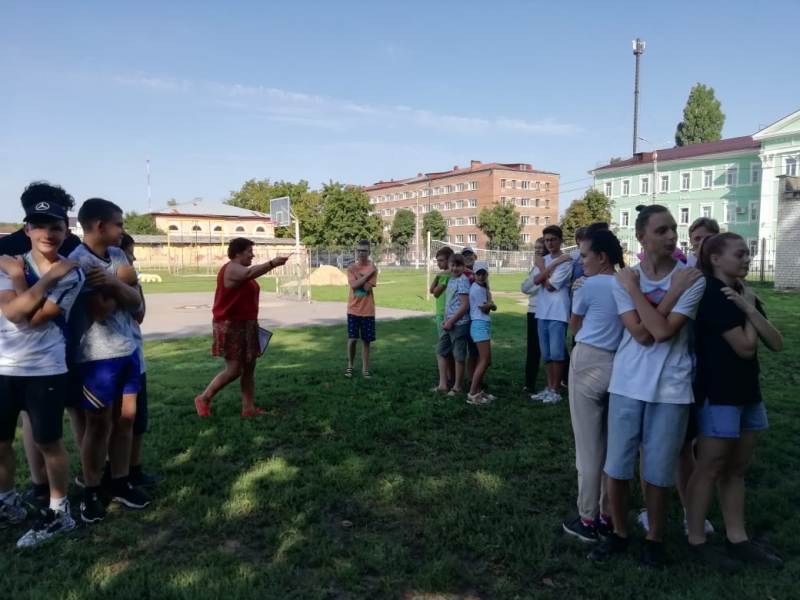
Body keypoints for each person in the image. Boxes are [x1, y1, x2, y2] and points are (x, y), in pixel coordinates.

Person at [590, 205, 705, 567]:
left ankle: (654, 538)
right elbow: (639, 334)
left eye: (673, 229)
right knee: (617, 466)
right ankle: (620, 533)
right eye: (661, 230)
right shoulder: (625, 279)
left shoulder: (691, 279)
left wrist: (639, 292)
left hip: (671, 388)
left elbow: (662, 331)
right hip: (626, 384)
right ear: (641, 237)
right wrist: (641, 290)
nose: (671, 236)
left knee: (657, 470)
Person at [686, 233, 783, 567]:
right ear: (716, 259)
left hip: (748, 394)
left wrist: (749, 306)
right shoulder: (712, 294)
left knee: (737, 469)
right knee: (710, 466)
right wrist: (747, 309)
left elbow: (776, 343)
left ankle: (737, 538)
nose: (747, 258)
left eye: (747, 253)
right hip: (719, 394)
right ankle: (696, 540)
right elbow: (745, 347)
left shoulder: (744, 293)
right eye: (740, 254)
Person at [0, 199, 84, 546]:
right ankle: (7, 503)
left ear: (66, 232)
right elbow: (12, 311)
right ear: (27, 229)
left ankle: (59, 512)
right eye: (39, 225)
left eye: (55, 227)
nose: (47, 233)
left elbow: (30, 319)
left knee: (48, 441)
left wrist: (28, 278)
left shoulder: (72, 273)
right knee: (1, 441)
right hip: (3, 366)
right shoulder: (8, 265)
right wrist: (37, 277)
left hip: (45, 368)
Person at [69, 198, 151, 523]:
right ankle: (91, 490)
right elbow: (99, 310)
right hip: (96, 357)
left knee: (126, 419)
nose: (122, 230)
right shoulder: (79, 261)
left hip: (128, 351)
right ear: (99, 225)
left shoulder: (116, 256)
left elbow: (136, 304)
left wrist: (115, 282)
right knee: (99, 424)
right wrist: (124, 284)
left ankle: (120, 482)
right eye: (119, 224)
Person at [561, 230, 625, 544]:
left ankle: (587, 518)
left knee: (588, 447)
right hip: (620, 365)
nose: (581, 261)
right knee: (612, 445)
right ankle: (607, 515)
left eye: (585, 255)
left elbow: (575, 324)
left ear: (602, 257)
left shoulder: (590, 284)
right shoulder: (628, 283)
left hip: (588, 360)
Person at [195, 238, 289, 416]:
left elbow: (249, 275)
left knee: (249, 368)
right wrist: (272, 263)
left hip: (247, 324)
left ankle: (248, 408)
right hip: (230, 325)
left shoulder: (242, 270)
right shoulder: (231, 268)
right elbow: (249, 273)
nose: (252, 255)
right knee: (234, 370)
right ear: (238, 253)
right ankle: (204, 398)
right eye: (249, 251)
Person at [119, 234, 158, 488]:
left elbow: (139, 313)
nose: (133, 258)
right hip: (110, 360)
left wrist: (135, 285)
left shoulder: (132, 282)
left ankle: (133, 470)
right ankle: (113, 474)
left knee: (137, 421)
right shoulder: (100, 277)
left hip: (134, 357)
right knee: (112, 424)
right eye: (129, 253)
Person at [531, 225, 572, 403]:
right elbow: (535, 281)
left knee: (557, 353)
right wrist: (548, 266)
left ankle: (555, 389)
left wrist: (545, 267)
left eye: (553, 239)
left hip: (557, 311)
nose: (550, 243)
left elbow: (550, 286)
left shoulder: (566, 261)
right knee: (546, 353)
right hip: (542, 311)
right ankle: (549, 387)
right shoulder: (545, 259)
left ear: (560, 240)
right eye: (547, 240)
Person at [345, 240, 378, 378]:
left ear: (369, 252)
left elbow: (366, 288)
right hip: (353, 309)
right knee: (352, 339)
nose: (360, 253)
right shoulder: (352, 268)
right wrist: (368, 274)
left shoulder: (372, 268)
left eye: (364, 250)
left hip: (367, 310)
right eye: (358, 250)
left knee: (366, 341)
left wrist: (360, 274)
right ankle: (350, 366)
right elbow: (354, 286)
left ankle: (365, 369)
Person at [440, 254, 470, 396]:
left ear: (463, 267)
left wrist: (451, 321)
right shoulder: (451, 279)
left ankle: (457, 387)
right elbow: (449, 302)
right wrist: (445, 319)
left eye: (458, 265)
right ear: (449, 265)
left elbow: (464, 305)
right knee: (441, 351)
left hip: (459, 324)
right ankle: (443, 385)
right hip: (448, 323)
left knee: (459, 356)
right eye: (453, 265)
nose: (455, 268)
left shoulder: (463, 281)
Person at [467, 261, 496, 405]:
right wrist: (492, 304)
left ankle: (478, 390)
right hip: (479, 325)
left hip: (482, 324)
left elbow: (488, 306)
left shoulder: (482, 288)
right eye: (478, 273)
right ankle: (473, 393)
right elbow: (485, 308)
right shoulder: (477, 289)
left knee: (485, 360)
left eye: (483, 273)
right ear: (474, 274)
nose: (481, 276)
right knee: (484, 360)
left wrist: (490, 303)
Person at [521, 238, 546, 392]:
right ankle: (529, 383)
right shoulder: (536, 266)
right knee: (534, 349)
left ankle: (562, 379)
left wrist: (535, 281)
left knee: (546, 349)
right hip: (533, 311)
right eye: (536, 247)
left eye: (540, 247)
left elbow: (527, 287)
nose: (537, 250)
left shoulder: (546, 265)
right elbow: (525, 286)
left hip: (543, 311)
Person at [430, 246, 454, 393]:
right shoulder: (452, 274)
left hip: (443, 315)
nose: (438, 263)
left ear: (449, 260)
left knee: (442, 349)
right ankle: (451, 378)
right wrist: (438, 275)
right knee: (450, 349)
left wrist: (439, 276)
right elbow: (432, 290)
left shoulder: (445, 276)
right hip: (450, 314)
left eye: (441, 260)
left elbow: (435, 292)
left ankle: (443, 384)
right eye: (437, 260)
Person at [461, 247, 480, 378]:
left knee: (475, 350)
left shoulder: (480, 273)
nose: (468, 257)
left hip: (476, 316)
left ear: (475, 256)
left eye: (470, 255)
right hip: (463, 316)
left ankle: (473, 379)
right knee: (462, 349)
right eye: (465, 255)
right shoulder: (460, 274)